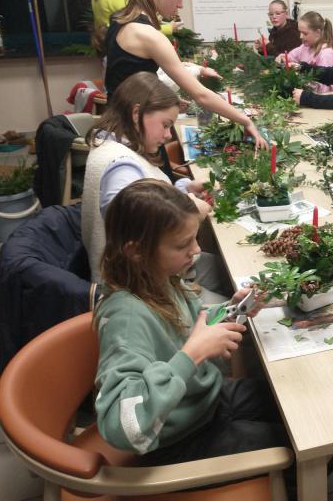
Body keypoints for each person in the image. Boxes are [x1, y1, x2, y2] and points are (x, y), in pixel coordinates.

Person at [94, 179, 290, 471]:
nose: (196, 250)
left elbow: (193, 326)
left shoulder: (160, 278)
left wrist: (232, 309)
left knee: (299, 412)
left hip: (203, 404)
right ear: (136, 251)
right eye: (183, 244)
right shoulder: (125, 318)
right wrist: (192, 356)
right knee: (309, 450)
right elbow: (122, 427)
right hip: (179, 441)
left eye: (194, 238)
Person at [82, 72, 231, 304]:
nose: (168, 134)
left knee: (228, 269)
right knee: (235, 309)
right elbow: (142, 231)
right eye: (165, 124)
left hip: (158, 272)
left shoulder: (113, 147)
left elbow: (149, 198)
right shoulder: (122, 169)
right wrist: (192, 212)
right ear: (135, 113)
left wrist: (185, 187)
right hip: (144, 290)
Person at [102, 0, 266, 149]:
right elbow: (201, 95)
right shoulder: (148, 35)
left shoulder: (120, 20)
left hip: (116, 125)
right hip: (133, 135)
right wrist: (245, 120)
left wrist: (167, 99)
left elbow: (128, 78)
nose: (180, 5)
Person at [275, 10, 333, 94]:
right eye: (300, 32)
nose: (300, 36)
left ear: (318, 32)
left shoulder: (326, 55)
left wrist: (299, 78)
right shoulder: (305, 47)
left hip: (322, 101)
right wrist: (282, 58)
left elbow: (324, 90)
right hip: (308, 97)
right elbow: (289, 57)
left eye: (305, 33)